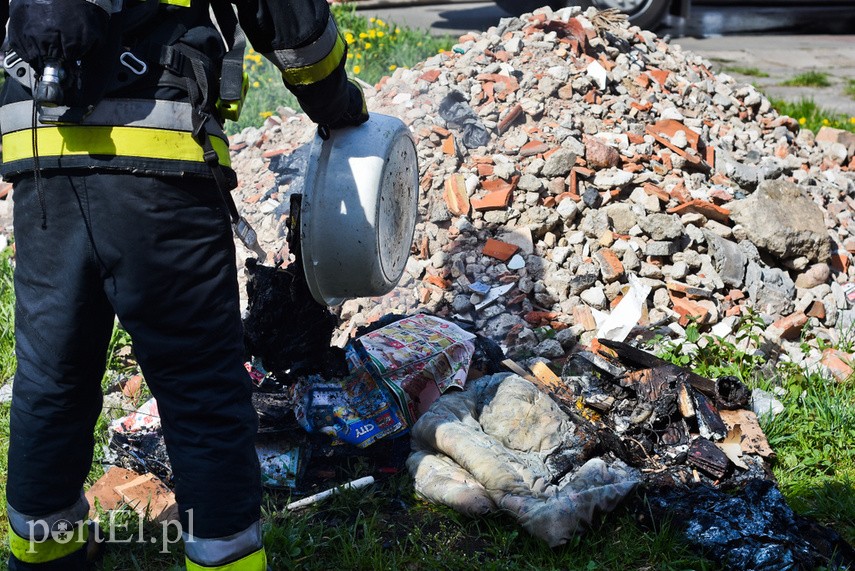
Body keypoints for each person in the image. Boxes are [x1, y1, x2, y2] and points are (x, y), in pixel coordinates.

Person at [1, 0, 368, 569]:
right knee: (199, 386)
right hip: (162, 164)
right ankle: (224, 557)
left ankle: (46, 556)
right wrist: (335, 102)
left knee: (51, 379)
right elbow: (289, 16)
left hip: (43, 160)